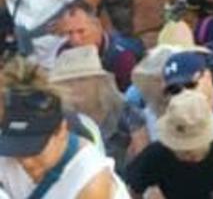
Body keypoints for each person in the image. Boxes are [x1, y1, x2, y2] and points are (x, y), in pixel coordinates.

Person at [0, 61, 130, 198]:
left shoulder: (90, 183)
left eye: (35, 150)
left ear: (61, 131)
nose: (26, 162)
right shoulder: (8, 155)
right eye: (16, 148)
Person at [124, 89, 213, 199]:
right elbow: (132, 188)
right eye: (182, 148)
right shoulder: (156, 154)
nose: (188, 154)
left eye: (193, 147)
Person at [55, 5, 140, 92]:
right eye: (69, 33)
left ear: (97, 26)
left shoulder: (122, 56)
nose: (75, 39)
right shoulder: (64, 52)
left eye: (81, 31)